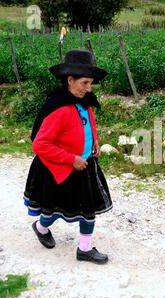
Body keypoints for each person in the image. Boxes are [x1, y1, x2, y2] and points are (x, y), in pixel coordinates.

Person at [23, 49, 112, 264]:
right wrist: (71, 159)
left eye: (91, 83)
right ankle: (41, 227)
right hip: (61, 167)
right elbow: (40, 144)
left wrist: (95, 142)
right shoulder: (59, 108)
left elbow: (88, 124)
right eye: (84, 83)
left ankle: (84, 248)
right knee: (53, 208)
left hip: (84, 164)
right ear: (70, 80)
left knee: (87, 208)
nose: (89, 88)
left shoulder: (84, 101)